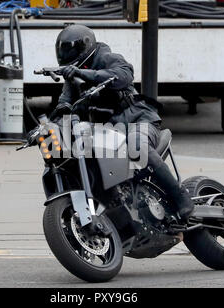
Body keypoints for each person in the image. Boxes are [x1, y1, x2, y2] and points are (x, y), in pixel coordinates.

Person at [53, 25, 194, 221]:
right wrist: (52, 122)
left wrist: (84, 74)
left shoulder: (107, 58)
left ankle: (181, 197)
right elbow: (64, 103)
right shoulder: (72, 77)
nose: (67, 54)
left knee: (137, 146)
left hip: (139, 120)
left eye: (70, 50)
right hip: (110, 130)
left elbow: (123, 76)